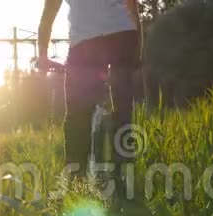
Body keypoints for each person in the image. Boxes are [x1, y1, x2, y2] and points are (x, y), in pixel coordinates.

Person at [38, 0, 141, 198]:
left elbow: (49, 12)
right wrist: (138, 44)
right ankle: (124, 182)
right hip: (123, 35)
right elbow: (132, 5)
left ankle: (76, 183)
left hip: (86, 40)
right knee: (123, 112)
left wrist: (43, 54)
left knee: (78, 117)